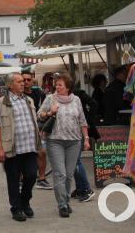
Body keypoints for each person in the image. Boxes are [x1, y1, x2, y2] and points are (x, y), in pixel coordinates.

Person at [37, 73, 89, 218]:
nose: (57, 86)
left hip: (74, 142)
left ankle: (66, 200)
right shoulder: (50, 98)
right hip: (55, 141)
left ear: (68, 87)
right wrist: (49, 112)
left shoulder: (76, 100)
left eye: (60, 84)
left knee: (69, 175)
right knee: (60, 173)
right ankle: (62, 205)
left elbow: (82, 120)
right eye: (56, 84)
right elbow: (39, 115)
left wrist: (86, 139)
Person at [0, 73, 42, 222]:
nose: (23, 84)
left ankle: (25, 201)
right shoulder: (1, 103)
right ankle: (16, 208)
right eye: (19, 81)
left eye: (23, 81)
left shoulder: (29, 100)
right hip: (12, 149)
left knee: (32, 175)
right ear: (10, 85)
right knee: (13, 180)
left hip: (30, 147)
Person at [22, 69, 51, 190]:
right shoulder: (17, 94)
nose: (26, 82)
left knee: (42, 153)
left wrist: (42, 127)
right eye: (24, 80)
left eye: (29, 79)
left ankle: (41, 178)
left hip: (37, 127)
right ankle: (21, 179)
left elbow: (42, 110)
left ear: (33, 80)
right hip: (22, 129)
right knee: (22, 155)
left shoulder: (38, 93)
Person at [70, 86, 100, 202]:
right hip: (70, 133)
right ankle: (80, 188)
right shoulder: (58, 97)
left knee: (75, 161)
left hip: (79, 130)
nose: (57, 87)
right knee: (73, 162)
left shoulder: (78, 94)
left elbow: (94, 104)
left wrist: (89, 118)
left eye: (60, 84)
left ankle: (86, 189)